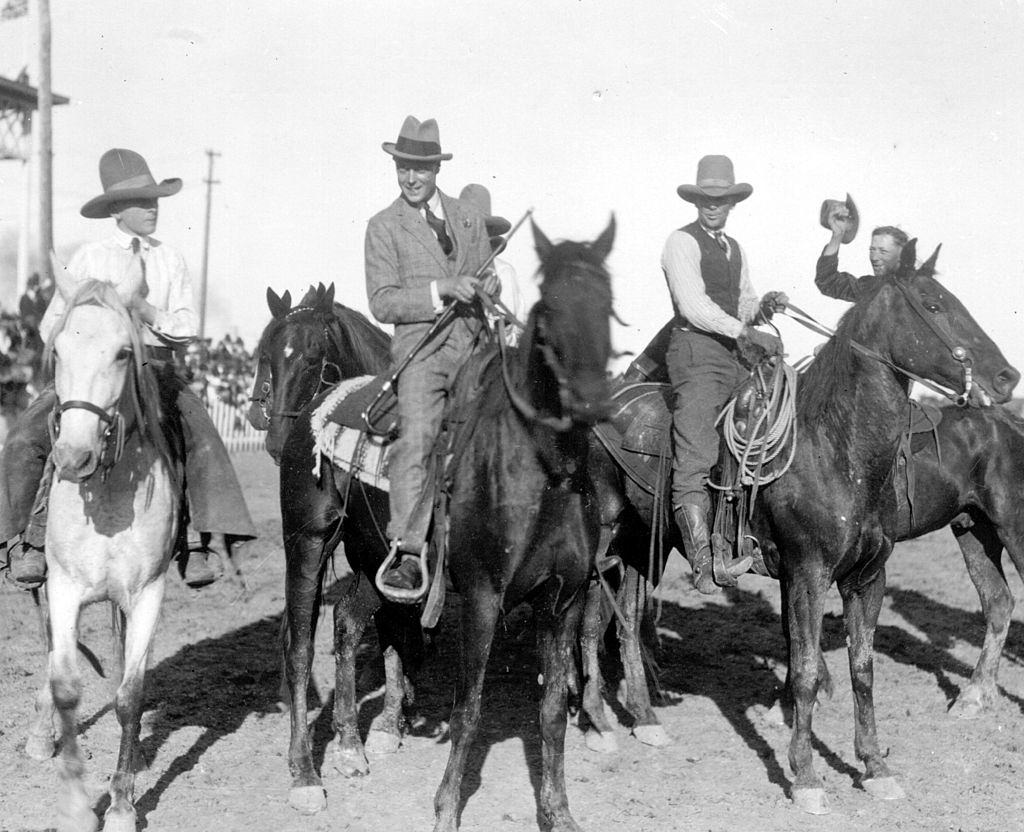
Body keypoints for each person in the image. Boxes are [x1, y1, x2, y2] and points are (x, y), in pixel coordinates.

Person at [0, 147, 256, 589]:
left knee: (202, 436)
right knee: (26, 435)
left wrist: (146, 311)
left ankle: (197, 541)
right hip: (92, 375)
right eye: (142, 201)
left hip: (154, 369)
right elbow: (49, 326)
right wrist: (83, 345)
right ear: (117, 212)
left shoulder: (168, 259)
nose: (153, 208)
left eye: (155, 199)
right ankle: (25, 539)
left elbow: (186, 325)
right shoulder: (88, 259)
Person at [365, 116, 497, 599]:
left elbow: (486, 276)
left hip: (477, 346)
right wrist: (442, 289)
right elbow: (382, 302)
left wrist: (488, 286)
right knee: (417, 436)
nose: (411, 178)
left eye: (421, 168)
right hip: (421, 352)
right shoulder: (383, 227)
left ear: (436, 169)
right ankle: (407, 552)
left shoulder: (468, 216)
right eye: (404, 168)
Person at [662, 154, 787, 595]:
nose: (713, 206)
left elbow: (743, 302)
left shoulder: (735, 249)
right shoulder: (681, 242)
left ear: (732, 203)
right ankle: (700, 560)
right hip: (696, 353)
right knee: (696, 449)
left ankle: (745, 536)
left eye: (721, 200)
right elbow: (695, 306)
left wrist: (763, 308)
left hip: (733, 354)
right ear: (696, 201)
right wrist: (746, 330)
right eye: (705, 199)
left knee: (762, 433)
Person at [458, 183, 526, 346]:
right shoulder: (446, 269)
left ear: (489, 234)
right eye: (465, 229)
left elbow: (513, 334)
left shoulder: (504, 272)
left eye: (479, 230)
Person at [817, 197, 909, 299]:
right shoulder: (873, 288)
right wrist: (837, 235)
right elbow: (828, 282)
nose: (874, 257)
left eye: (883, 251)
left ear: (902, 255)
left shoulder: (919, 287)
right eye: (872, 250)